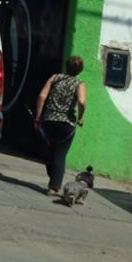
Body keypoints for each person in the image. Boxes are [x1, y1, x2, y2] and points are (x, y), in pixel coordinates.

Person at [34, 55, 87, 197]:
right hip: (66, 124)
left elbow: (41, 96)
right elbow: (81, 102)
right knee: (60, 155)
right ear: (80, 70)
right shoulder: (79, 83)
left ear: (66, 66)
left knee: (50, 151)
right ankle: (54, 187)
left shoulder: (55, 78)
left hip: (49, 120)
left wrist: (38, 117)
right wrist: (81, 117)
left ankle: (54, 176)